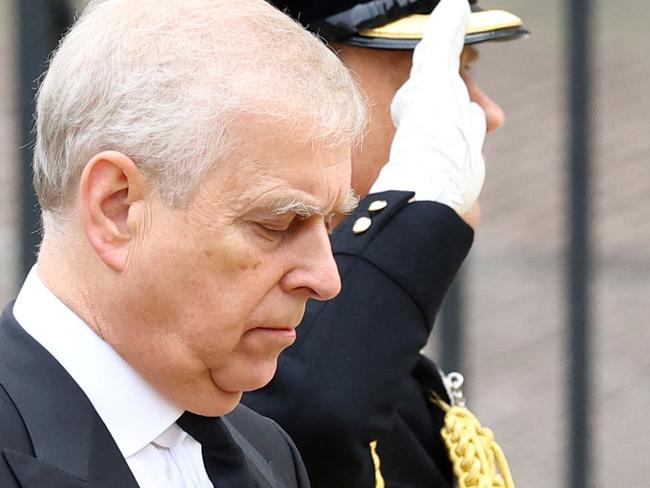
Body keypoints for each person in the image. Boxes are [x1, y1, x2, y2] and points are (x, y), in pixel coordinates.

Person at [0, 0, 368, 487]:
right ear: (117, 208)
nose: (326, 279)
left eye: (331, 224)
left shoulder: (268, 452)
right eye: (277, 223)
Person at [244, 0, 528, 487]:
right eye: (438, 75)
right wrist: (409, 214)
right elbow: (304, 414)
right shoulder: (238, 349)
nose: (488, 111)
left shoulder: (373, 352)